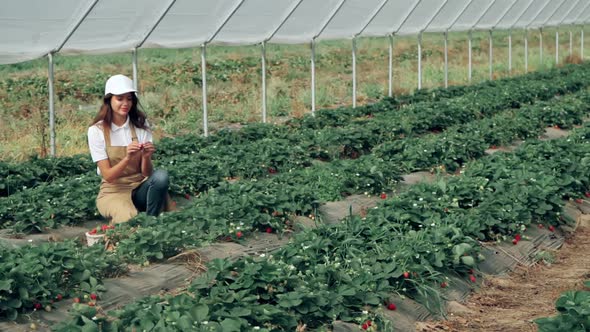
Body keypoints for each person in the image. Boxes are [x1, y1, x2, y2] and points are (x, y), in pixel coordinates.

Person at [88, 74, 174, 224]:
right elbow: (108, 176)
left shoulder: (140, 125)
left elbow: (146, 173)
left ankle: (151, 222)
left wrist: (146, 157)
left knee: (160, 177)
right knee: (128, 219)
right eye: (120, 98)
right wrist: (127, 158)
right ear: (109, 100)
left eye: (129, 98)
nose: (125, 103)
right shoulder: (97, 130)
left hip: (139, 187)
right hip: (113, 191)